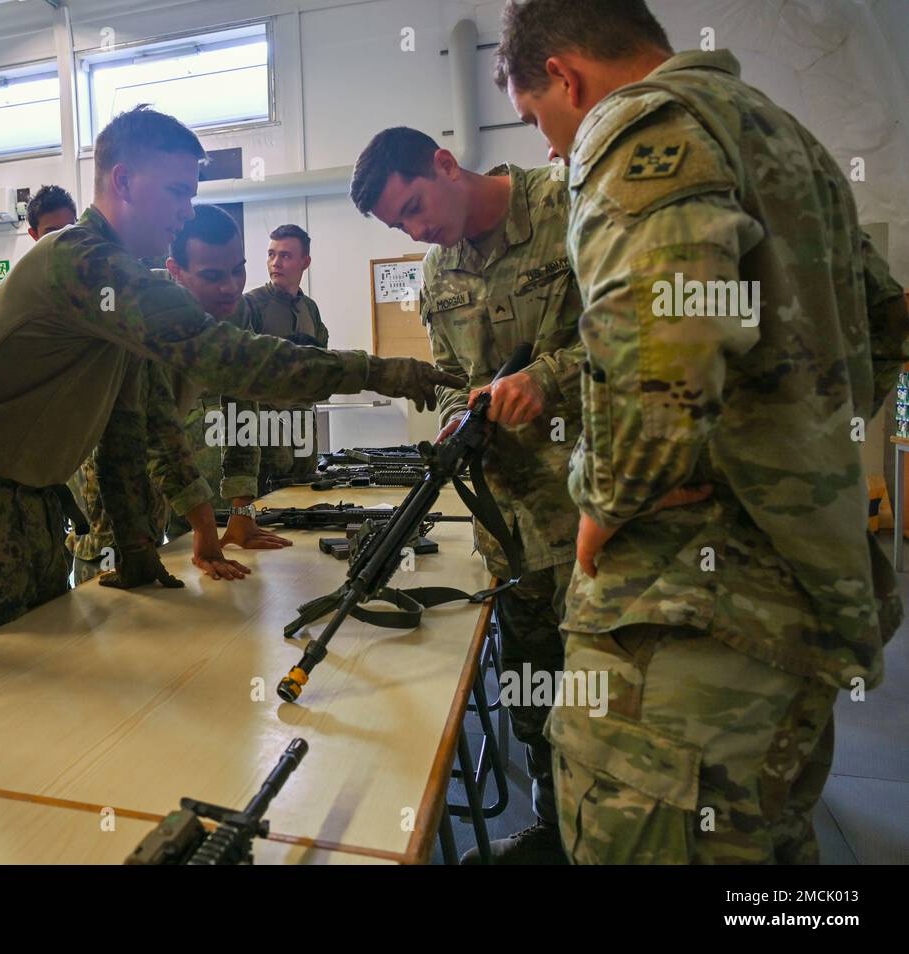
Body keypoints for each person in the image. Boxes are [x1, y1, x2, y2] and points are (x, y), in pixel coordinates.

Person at [496, 0, 908, 863]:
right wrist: (792, 443)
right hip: (797, 583)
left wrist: (604, 500)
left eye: (539, 117)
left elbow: (659, 340)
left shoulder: (639, 128)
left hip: (686, 608)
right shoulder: (785, 136)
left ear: (566, 77)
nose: (549, 146)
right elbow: (883, 319)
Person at [0, 104, 460, 661]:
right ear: (122, 180)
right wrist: (381, 371)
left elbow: (126, 425)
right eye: (176, 192)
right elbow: (227, 358)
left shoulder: (116, 284)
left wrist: (139, 550)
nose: (186, 213)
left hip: (27, 506)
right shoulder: (81, 261)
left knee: (39, 692)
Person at [351, 125, 584, 863]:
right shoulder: (435, 274)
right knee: (533, 689)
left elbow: (636, 334)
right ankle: (553, 825)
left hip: (595, 513)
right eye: (402, 224)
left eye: (417, 206)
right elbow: (453, 382)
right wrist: (460, 417)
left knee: (612, 695)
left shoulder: (568, 206)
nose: (418, 229)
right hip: (508, 528)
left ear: (445, 164)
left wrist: (545, 380)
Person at [66, 204, 291, 584]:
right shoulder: (140, 309)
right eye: (213, 275)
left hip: (165, 455)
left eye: (238, 270)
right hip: (106, 459)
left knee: (166, 571)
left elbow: (242, 406)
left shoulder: (235, 309)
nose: (230, 287)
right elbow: (154, 431)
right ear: (175, 272)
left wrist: (241, 510)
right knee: (116, 574)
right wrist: (204, 525)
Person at [244, 225, 329, 489]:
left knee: (304, 495)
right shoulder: (251, 305)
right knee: (267, 500)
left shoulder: (309, 309)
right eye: (271, 254)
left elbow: (321, 360)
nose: (275, 263)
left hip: (302, 422)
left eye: (285, 256)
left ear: (305, 262)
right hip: (264, 428)